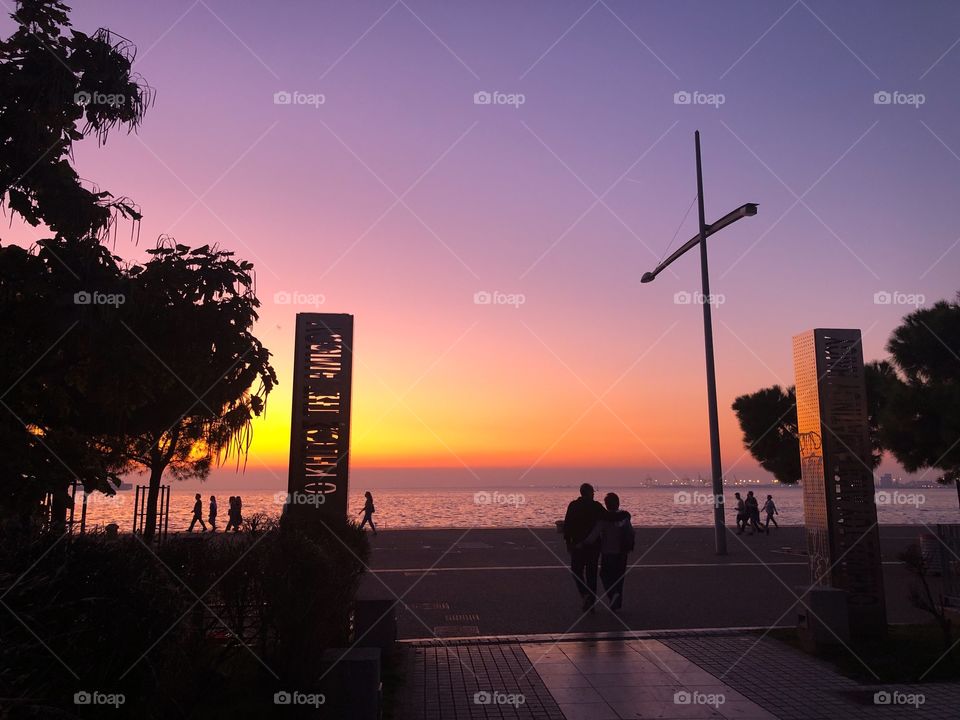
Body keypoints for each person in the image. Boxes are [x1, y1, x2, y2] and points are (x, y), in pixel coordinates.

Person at [580, 493, 634, 610]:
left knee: (605, 575)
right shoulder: (625, 517)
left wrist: (582, 542)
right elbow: (631, 532)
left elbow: (593, 537)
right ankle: (616, 602)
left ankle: (613, 594)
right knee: (619, 578)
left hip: (608, 552)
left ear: (606, 505)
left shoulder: (604, 519)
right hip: (622, 552)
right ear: (618, 503)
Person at [563, 483, 606, 611]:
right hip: (593, 546)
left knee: (576, 571)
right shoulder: (596, 506)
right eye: (592, 492)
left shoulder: (573, 506)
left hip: (577, 545)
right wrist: (624, 515)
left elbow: (567, 526)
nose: (593, 494)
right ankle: (590, 601)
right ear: (589, 493)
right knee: (591, 573)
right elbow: (608, 517)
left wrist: (568, 543)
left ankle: (585, 594)